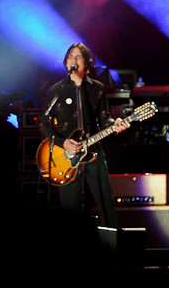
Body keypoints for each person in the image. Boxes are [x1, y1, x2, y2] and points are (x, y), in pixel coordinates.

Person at [39, 43, 129, 228]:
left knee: (105, 201)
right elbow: (44, 123)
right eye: (70, 57)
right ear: (65, 63)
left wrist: (115, 125)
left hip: (93, 151)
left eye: (78, 56)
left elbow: (104, 119)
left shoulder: (97, 88)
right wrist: (63, 144)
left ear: (86, 63)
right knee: (70, 208)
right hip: (66, 157)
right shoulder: (57, 91)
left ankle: (112, 244)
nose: (74, 60)